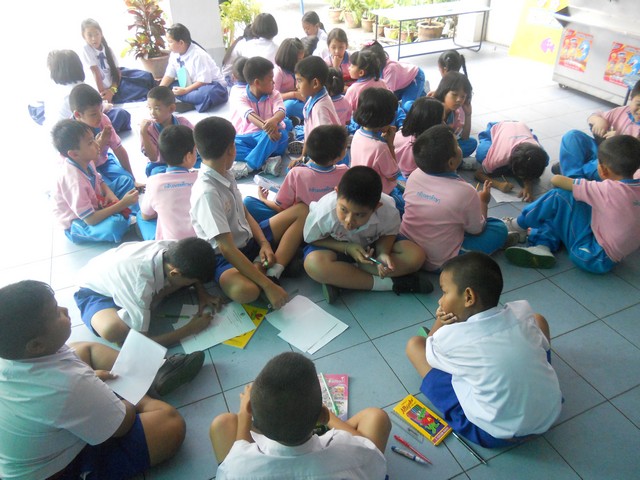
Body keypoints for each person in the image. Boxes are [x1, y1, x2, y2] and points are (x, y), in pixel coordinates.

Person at [0, 281, 187, 479]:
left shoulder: (16, 355)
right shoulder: (66, 385)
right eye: (56, 312)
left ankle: (154, 372)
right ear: (36, 345)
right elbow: (122, 425)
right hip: (54, 471)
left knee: (82, 349)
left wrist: (93, 384)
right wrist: (123, 395)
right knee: (170, 423)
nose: (64, 310)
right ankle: (143, 385)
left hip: (44, 435)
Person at [405, 252, 562, 448]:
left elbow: (429, 345)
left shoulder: (451, 339)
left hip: (493, 434)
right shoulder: (522, 313)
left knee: (414, 345)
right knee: (538, 320)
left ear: (469, 296)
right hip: (549, 415)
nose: (440, 300)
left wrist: (441, 321)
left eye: (444, 292)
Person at [210, 352, 390, 479]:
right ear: (322, 417)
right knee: (377, 417)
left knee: (222, 423)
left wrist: (244, 413)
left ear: (251, 412)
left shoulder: (236, 469)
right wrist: (325, 415)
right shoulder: (351, 451)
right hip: (326, 453)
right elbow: (370, 453)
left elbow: (240, 451)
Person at [190, 117, 308, 310]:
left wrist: (263, 243)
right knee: (246, 291)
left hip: (250, 239)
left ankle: (273, 271)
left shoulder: (225, 172)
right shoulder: (207, 193)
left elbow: (244, 212)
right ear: (231, 149)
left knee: (302, 211)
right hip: (225, 257)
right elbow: (227, 248)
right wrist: (268, 287)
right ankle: (269, 267)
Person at [503, 135, 640, 274]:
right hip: (606, 254)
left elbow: (557, 180)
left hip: (590, 256)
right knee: (566, 207)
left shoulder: (608, 190)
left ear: (603, 170)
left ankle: (518, 225)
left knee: (559, 196)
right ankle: (542, 246)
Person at [303, 166, 432, 304]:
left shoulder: (388, 209)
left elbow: (389, 233)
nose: (349, 221)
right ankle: (391, 284)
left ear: (376, 207)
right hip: (337, 248)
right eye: (343, 210)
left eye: (359, 215)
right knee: (313, 264)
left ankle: (344, 278)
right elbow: (311, 238)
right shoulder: (324, 212)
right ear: (337, 192)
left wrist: (383, 253)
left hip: (371, 250)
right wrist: (347, 248)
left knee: (416, 255)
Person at [74, 237, 222, 346]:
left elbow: (192, 274)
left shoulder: (173, 248)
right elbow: (140, 343)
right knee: (114, 331)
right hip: (94, 291)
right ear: (174, 273)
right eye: (192, 282)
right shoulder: (140, 287)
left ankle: (138, 309)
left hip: (118, 276)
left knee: (177, 286)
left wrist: (203, 294)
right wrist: (190, 329)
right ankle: (130, 312)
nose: (193, 284)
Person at [400, 125, 508, 272]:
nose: (459, 146)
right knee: (499, 228)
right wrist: (483, 202)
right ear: (451, 162)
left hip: (407, 247)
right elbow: (477, 230)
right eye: (457, 145)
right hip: (438, 261)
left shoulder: (415, 174)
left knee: (455, 219)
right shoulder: (465, 192)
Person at [51, 119, 138, 244]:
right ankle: (124, 218)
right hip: (79, 221)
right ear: (74, 154)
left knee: (125, 181)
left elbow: (99, 179)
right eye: (90, 143)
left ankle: (132, 216)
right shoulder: (73, 180)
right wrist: (122, 204)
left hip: (95, 202)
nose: (97, 145)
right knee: (115, 225)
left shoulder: (86, 159)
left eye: (94, 139)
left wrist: (109, 193)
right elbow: (90, 219)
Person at [245, 125, 349, 222]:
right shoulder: (345, 173)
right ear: (338, 157)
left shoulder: (296, 173)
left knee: (248, 203)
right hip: (331, 222)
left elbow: (280, 208)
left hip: (298, 224)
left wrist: (263, 199)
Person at [555, 80, 640, 180]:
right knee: (572, 136)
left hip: (620, 167)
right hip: (602, 152)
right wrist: (599, 121)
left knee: (591, 167)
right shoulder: (622, 111)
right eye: (638, 104)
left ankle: (571, 174)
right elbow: (594, 116)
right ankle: (573, 176)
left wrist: (620, 145)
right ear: (631, 98)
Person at [69, 83, 138, 194]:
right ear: (78, 115)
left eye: (101, 110)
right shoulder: (70, 133)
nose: (100, 116)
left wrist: (133, 179)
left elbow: (118, 149)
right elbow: (83, 167)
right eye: (93, 114)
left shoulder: (103, 120)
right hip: (86, 170)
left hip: (105, 161)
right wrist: (100, 144)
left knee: (128, 180)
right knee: (104, 191)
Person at [41, 49, 130, 133]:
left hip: (53, 131)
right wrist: (105, 106)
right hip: (74, 134)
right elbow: (96, 110)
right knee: (120, 114)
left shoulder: (54, 90)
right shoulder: (79, 89)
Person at [230, 56, 289, 178]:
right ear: (257, 82)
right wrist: (269, 128)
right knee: (228, 144)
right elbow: (250, 115)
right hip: (250, 136)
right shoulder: (241, 97)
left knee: (278, 133)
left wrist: (274, 120)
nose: (274, 82)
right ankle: (265, 163)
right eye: (271, 79)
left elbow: (281, 111)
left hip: (272, 137)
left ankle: (249, 167)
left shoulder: (274, 94)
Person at [138, 125, 199, 240]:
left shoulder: (153, 182)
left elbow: (146, 215)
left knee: (140, 216)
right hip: (203, 242)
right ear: (189, 156)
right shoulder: (200, 178)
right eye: (195, 150)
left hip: (172, 246)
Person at [80, 18, 154, 104]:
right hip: (104, 90)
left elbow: (117, 72)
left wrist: (112, 90)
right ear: (83, 36)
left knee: (146, 76)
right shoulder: (87, 49)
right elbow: (96, 73)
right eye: (90, 35)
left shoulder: (108, 50)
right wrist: (104, 96)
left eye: (97, 34)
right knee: (139, 93)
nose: (94, 38)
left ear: (101, 33)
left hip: (115, 84)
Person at [159, 23, 228, 112]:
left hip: (210, 86)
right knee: (169, 88)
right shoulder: (174, 54)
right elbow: (169, 75)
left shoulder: (198, 54)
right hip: (190, 85)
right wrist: (158, 92)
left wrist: (185, 91)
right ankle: (193, 102)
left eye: (170, 42)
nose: (168, 45)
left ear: (181, 43)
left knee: (208, 94)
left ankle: (190, 104)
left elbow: (204, 81)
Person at [474, 121, 549, 202]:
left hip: (520, 129)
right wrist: (498, 185)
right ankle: (486, 137)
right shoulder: (500, 156)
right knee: (482, 154)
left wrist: (528, 187)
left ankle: (530, 135)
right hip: (498, 127)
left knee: (545, 160)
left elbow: (531, 168)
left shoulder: (537, 152)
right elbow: (478, 174)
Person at [350, 88, 401, 203]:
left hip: (360, 188)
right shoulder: (380, 148)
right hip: (379, 196)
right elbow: (393, 176)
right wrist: (390, 144)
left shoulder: (358, 134)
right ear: (385, 118)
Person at [288, 55, 341, 157]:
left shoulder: (320, 108)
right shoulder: (313, 98)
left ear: (315, 83)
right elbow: (308, 131)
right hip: (317, 151)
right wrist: (303, 156)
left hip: (328, 157)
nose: (296, 86)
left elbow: (324, 141)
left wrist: (311, 162)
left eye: (299, 81)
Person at [140, 86, 196, 177]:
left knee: (203, 163)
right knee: (156, 172)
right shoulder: (148, 129)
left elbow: (195, 141)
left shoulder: (182, 122)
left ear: (171, 109)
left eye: (157, 109)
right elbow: (153, 158)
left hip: (184, 162)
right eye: (149, 108)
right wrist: (143, 133)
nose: (152, 113)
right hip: (161, 165)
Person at [363, 40, 427, 112]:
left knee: (407, 107)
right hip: (400, 81)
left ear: (378, 60)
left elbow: (388, 95)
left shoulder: (390, 69)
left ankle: (426, 103)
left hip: (415, 78)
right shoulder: (371, 67)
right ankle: (421, 95)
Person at [394, 97, 444, 178]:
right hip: (406, 178)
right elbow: (409, 174)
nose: (443, 124)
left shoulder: (404, 131)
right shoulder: (415, 146)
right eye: (441, 120)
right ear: (432, 123)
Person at [433, 72, 477, 159]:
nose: (459, 100)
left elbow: (465, 138)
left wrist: (468, 115)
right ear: (444, 92)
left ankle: (452, 161)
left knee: (471, 143)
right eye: (454, 94)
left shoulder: (454, 112)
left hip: (444, 147)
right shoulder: (432, 109)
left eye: (463, 96)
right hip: (431, 149)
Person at [273, 38, 306, 122]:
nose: (301, 62)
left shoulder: (295, 69)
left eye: (302, 58)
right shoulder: (279, 72)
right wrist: (293, 94)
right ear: (289, 59)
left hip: (297, 100)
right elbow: (272, 96)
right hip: (283, 103)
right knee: (289, 106)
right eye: (299, 59)